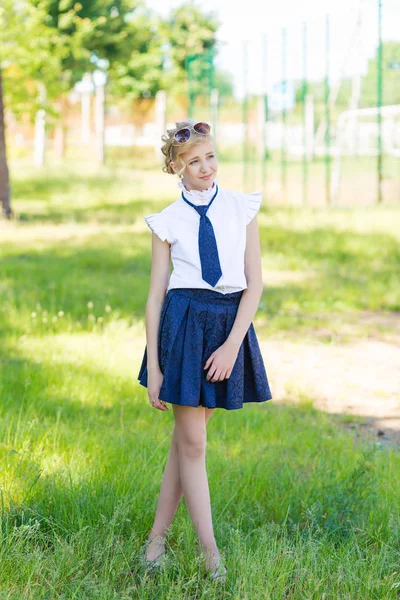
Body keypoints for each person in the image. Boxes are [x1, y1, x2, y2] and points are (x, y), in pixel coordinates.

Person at [137, 119, 272, 582]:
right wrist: (154, 366)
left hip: (226, 328)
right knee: (193, 442)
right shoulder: (166, 220)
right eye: (193, 161)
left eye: (210, 156)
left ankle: (155, 539)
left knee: (186, 440)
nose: (205, 167)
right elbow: (156, 296)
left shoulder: (241, 208)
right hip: (184, 326)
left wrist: (233, 345)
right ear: (176, 167)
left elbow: (255, 284)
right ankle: (210, 555)